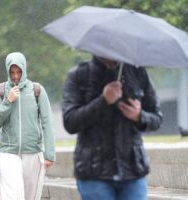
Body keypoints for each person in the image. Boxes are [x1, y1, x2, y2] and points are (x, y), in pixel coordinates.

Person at [62, 55, 163, 200]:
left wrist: (139, 116)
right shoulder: (79, 75)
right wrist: (103, 101)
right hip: (94, 173)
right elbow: (70, 122)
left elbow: (157, 118)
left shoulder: (138, 73)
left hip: (132, 172)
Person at [0, 52, 56, 200]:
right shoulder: (0, 91)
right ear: (7, 71)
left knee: (31, 197)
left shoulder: (37, 90)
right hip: (8, 151)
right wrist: (8, 101)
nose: (16, 76)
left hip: (32, 151)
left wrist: (49, 153)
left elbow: (47, 122)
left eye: (19, 71)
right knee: (14, 196)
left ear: (24, 69)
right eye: (12, 72)